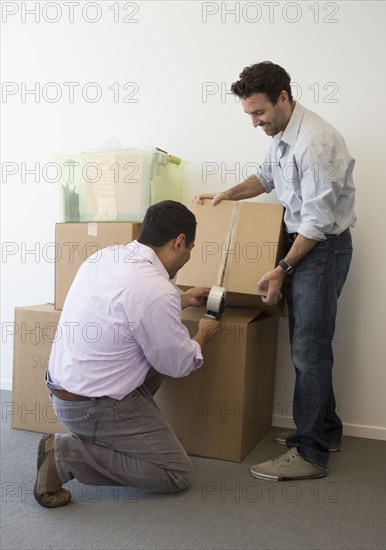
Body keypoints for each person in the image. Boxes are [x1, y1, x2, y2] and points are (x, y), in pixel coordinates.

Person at [195, 61, 356, 481]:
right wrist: (228, 193)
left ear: (283, 97)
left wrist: (282, 267)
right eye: (249, 114)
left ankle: (310, 453)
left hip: (320, 249)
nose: (255, 122)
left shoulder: (315, 142)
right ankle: (326, 431)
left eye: (259, 113)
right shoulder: (284, 133)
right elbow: (266, 177)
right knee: (308, 344)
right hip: (304, 248)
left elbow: (318, 223)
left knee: (308, 348)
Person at [34, 200, 219, 508]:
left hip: (63, 390)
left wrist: (180, 298)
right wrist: (202, 337)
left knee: (158, 340)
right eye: (190, 249)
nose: (188, 257)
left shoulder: (105, 256)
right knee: (176, 472)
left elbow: (129, 305)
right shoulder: (155, 292)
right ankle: (66, 456)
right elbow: (179, 363)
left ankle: (118, 433)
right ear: (179, 242)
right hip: (89, 408)